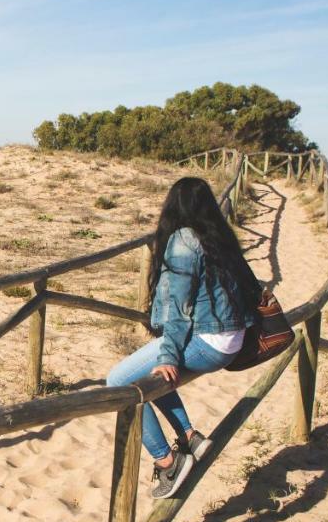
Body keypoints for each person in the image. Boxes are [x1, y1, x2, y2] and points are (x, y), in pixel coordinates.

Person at [106, 177, 261, 499]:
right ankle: (189, 437)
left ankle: (167, 461)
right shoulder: (220, 237)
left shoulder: (183, 241)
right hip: (233, 338)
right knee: (145, 375)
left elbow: (178, 309)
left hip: (211, 342)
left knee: (118, 381)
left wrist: (168, 356)